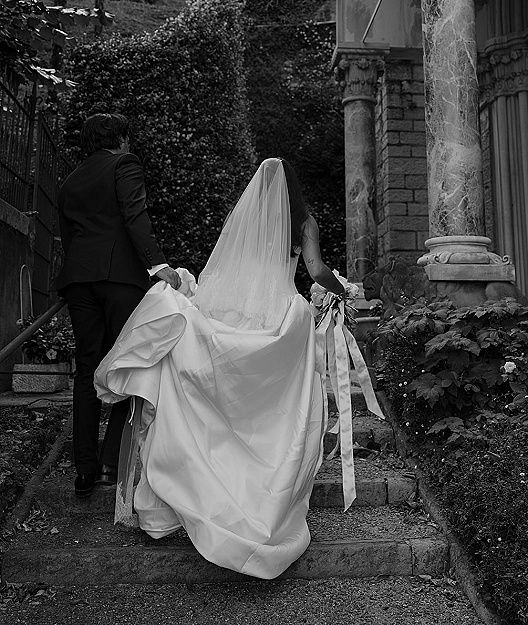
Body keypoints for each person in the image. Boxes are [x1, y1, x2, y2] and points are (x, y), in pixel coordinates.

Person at [95, 158, 347, 579]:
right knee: (276, 408)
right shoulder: (304, 221)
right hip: (281, 313)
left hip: (241, 311)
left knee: (221, 394)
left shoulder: (244, 218)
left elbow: (228, 271)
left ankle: (206, 484)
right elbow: (317, 271)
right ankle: (265, 495)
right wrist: (343, 289)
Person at [54, 112, 181, 499]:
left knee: (87, 369)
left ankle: (84, 469)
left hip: (79, 279)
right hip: (120, 278)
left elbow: (67, 235)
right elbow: (134, 216)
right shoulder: (124, 164)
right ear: (122, 138)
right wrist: (158, 266)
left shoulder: (69, 181)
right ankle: (113, 460)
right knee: (130, 361)